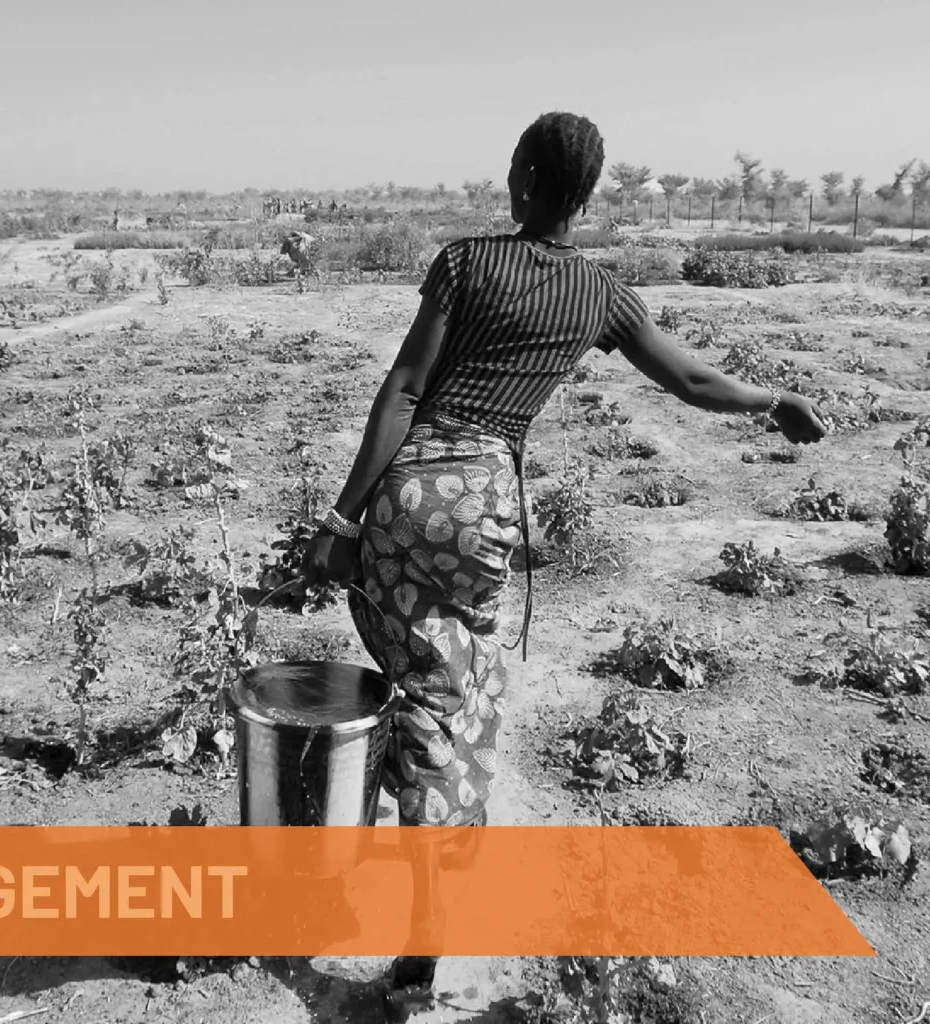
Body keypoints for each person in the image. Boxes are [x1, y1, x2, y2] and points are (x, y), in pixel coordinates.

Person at [302, 110, 830, 1020]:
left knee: (418, 685)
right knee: (452, 691)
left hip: (409, 492)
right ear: (585, 196)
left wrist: (344, 520)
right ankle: (428, 854)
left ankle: (404, 876)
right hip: (485, 508)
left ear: (520, 179)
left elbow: (405, 390)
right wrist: (773, 399)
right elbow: (693, 381)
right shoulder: (603, 295)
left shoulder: (466, 262)